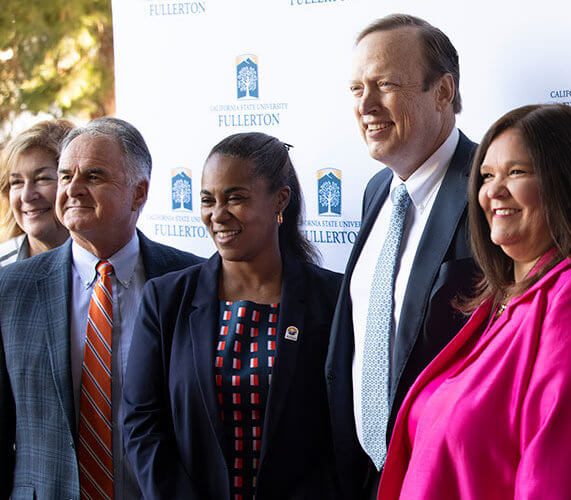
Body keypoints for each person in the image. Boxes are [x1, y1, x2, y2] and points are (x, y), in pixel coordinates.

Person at [378, 104, 571, 499]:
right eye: (487, 175)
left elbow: (561, 478)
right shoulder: (499, 302)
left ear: (567, 183)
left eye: (516, 172)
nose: (492, 191)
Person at [123, 132, 341, 499]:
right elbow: (142, 425)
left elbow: (344, 431)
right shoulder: (165, 299)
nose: (218, 215)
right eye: (208, 200)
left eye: (235, 198)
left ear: (279, 200)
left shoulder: (333, 300)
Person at [0, 117, 201, 499]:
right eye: (64, 176)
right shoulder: (11, 289)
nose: (73, 189)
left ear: (138, 194)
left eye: (93, 176)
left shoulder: (191, 281)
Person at [326, 14, 478, 498]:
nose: (366, 104)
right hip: (368, 476)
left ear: (443, 91)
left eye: (385, 84)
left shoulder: (492, 191)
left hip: (446, 476)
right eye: (356, 89)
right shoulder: (377, 192)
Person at [0, 119, 73, 265]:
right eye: (17, 182)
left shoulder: (108, 264)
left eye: (42, 179)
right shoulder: (3, 267)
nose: (26, 196)